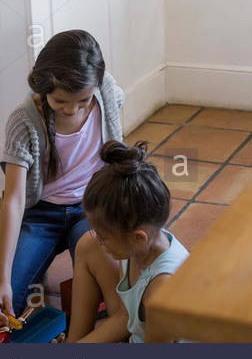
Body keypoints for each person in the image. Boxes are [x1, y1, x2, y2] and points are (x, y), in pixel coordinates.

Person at [0, 29, 125, 326]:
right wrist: (2, 282)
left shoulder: (106, 91)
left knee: (112, 295)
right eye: (61, 101)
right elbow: (15, 201)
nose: (72, 109)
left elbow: (115, 122)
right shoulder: (24, 120)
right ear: (44, 86)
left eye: (82, 100)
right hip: (39, 214)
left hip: (91, 208)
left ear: (95, 85)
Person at [66, 141, 189, 343]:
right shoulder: (139, 248)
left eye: (104, 237)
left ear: (138, 237)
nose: (100, 242)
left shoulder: (161, 291)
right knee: (87, 244)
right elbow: (125, 317)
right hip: (140, 333)